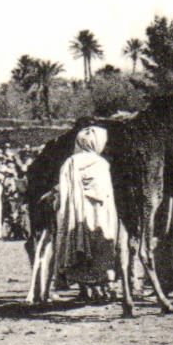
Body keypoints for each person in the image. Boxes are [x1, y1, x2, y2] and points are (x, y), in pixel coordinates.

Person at [54, 125, 119, 302]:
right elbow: (105, 193)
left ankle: (86, 289)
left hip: (75, 213)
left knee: (80, 246)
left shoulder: (71, 162)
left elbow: (65, 190)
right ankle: (104, 287)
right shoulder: (101, 163)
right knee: (100, 247)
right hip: (99, 213)